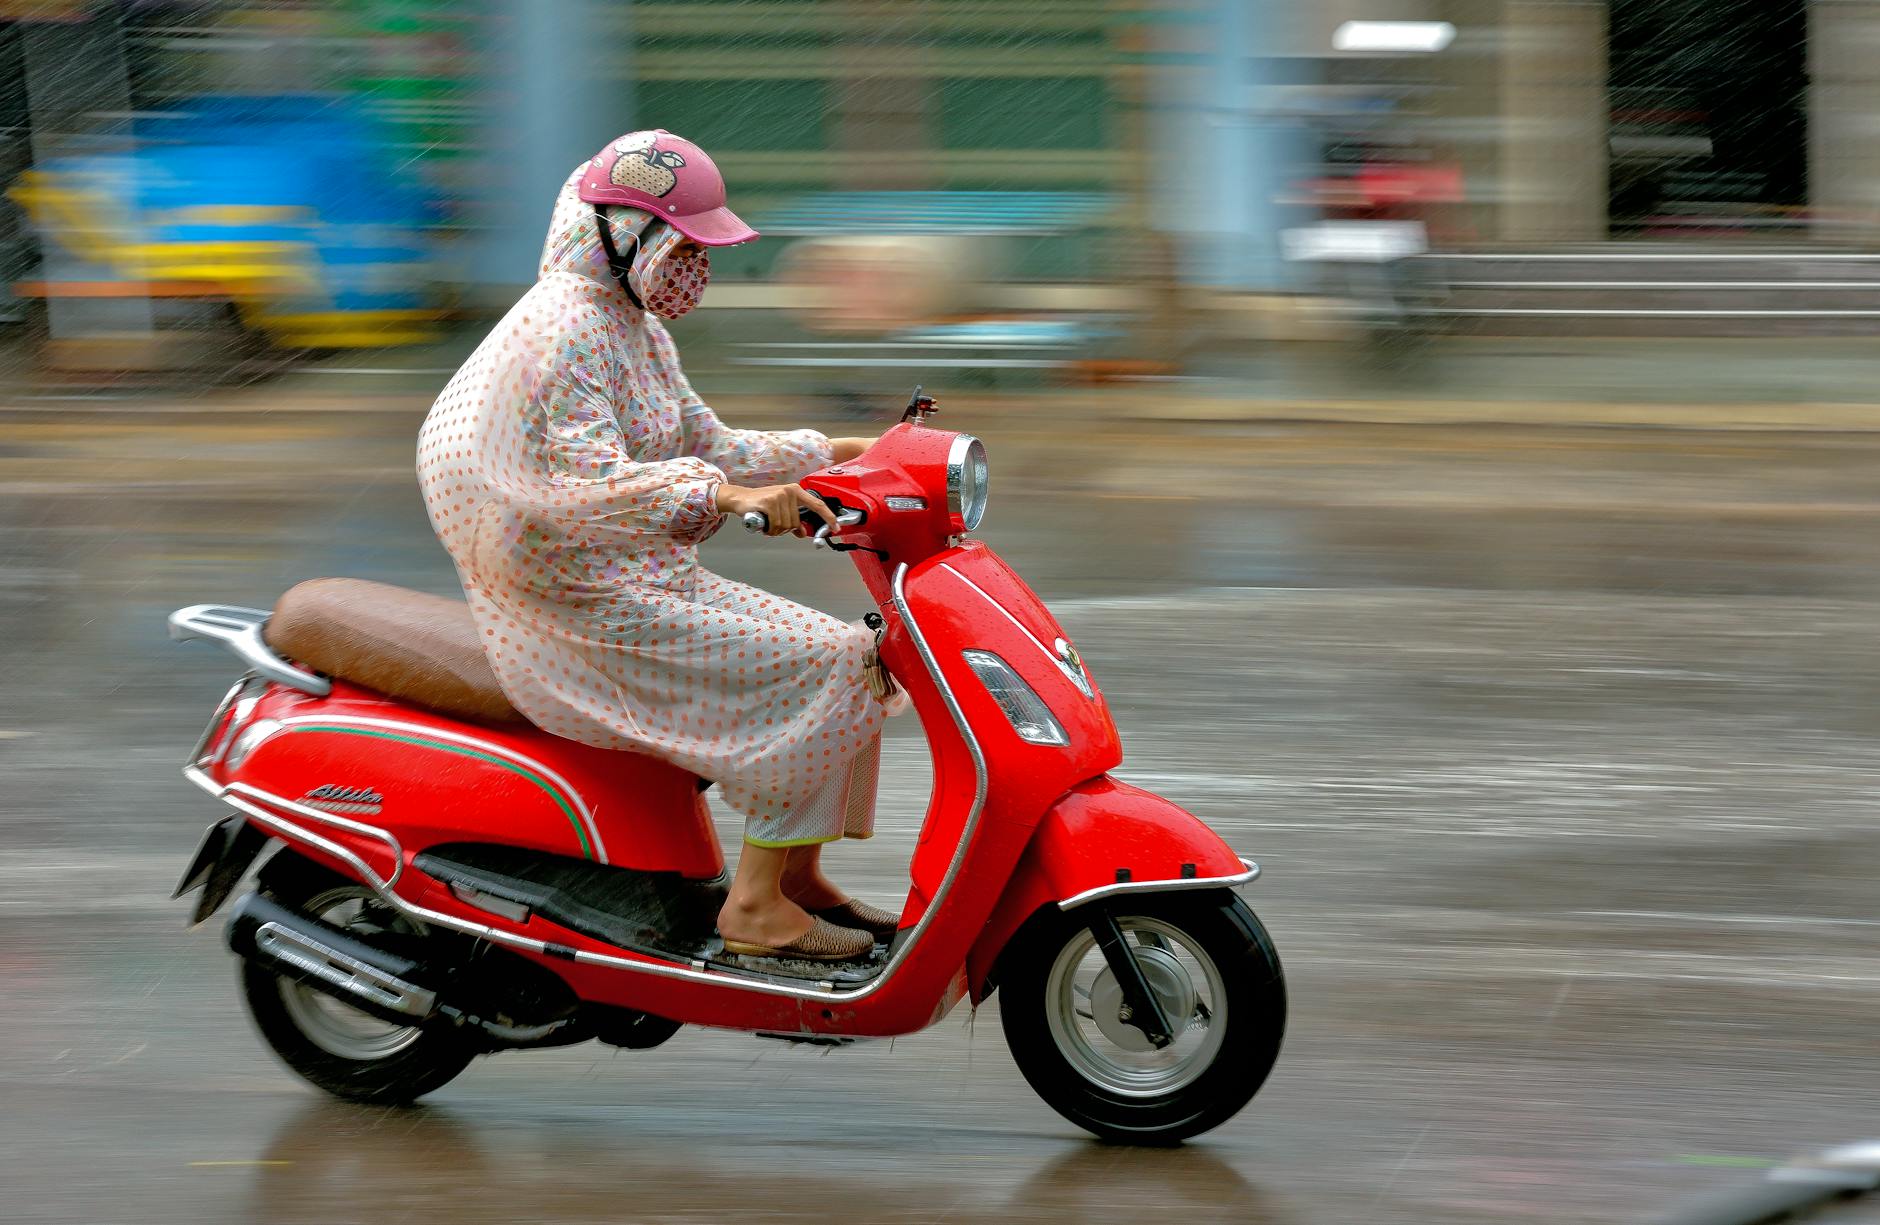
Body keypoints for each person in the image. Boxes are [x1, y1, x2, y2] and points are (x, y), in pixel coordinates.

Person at [418, 130, 898, 963]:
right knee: (834, 663)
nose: (696, 270)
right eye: (682, 246)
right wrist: (726, 497)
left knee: (865, 658)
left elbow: (705, 440)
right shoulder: (563, 329)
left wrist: (840, 452)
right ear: (619, 234)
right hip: (573, 604)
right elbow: (591, 479)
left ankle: (794, 876)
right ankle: (753, 908)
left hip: (638, 577)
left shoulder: (631, 325)